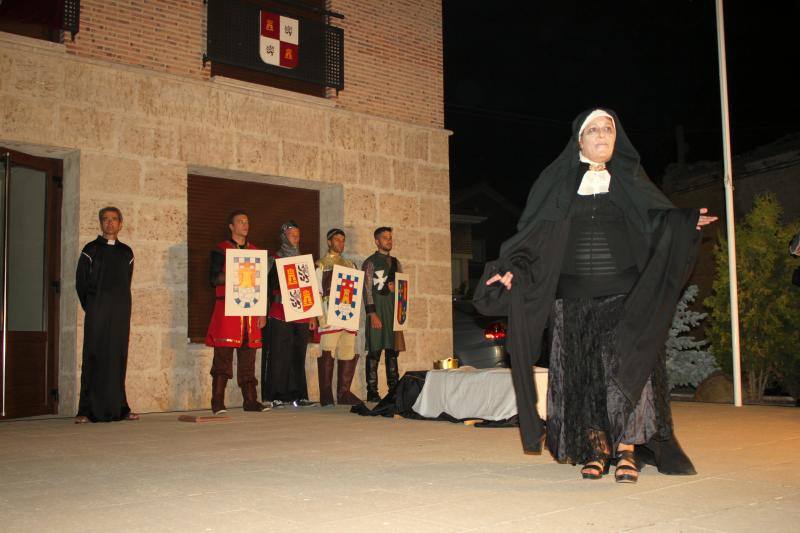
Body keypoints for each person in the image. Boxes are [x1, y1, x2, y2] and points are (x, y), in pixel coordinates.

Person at [475, 108, 717, 483]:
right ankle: (596, 448)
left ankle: (627, 451)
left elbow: (656, 221)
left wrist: (684, 221)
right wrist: (512, 268)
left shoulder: (631, 179)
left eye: (609, 129)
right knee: (581, 377)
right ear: (579, 140)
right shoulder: (555, 182)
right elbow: (533, 238)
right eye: (594, 130)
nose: (602, 135)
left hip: (624, 295)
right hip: (571, 299)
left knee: (628, 373)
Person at [75, 207, 138, 423]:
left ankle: (120, 408)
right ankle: (85, 410)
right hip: (97, 311)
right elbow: (81, 283)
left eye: (114, 219)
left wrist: (115, 307)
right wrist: (93, 306)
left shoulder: (127, 253)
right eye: (105, 219)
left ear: (121, 223)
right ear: (101, 223)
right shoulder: (90, 250)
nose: (110, 223)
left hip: (120, 312)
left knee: (118, 357)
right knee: (93, 355)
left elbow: (125, 283)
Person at [205, 210, 269, 414]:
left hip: (251, 313)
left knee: (249, 358)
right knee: (223, 356)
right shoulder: (220, 250)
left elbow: (262, 285)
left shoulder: (256, 252)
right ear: (231, 227)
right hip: (228, 310)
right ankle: (217, 401)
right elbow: (214, 279)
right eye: (240, 222)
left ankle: (250, 401)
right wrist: (237, 271)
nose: (245, 224)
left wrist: (262, 312)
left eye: (247, 221)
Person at [263, 221, 316, 408]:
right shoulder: (274, 259)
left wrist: (312, 316)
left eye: (298, 235)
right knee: (279, 354)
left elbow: (310, 290)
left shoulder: (304, 261)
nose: (296, 238)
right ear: (284, 236)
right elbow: (265, 289)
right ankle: (275, 395)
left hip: (301, 315)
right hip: (280, 312)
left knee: (298, 355)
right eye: (293, 235)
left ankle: (298, 395)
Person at [315, 228, 363, 406]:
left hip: (347, 315)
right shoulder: (320, 264)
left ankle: (344, 393)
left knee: (347, 352)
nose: (340, 243)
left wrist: (355, 317)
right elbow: (317, 293)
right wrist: (322, 318)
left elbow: (355, 292)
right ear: (329, 242)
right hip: (330, 315)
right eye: (337, 240)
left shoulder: (350, 265)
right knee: (328, 352)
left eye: (343, 240)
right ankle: (326, 395)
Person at [362, 227, 405, 402]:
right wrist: (372, 314)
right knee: (374, 352)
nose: (389, 241)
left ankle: (393, 391)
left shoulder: (396, 263)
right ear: (377, 241)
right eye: (385, 238)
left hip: (393, 313)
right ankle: (372, 392)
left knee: (392, 352)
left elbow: (404, 289)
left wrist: (398, 290)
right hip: (378, 312)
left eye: (390, 238)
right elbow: (366, 290)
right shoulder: (370, 262)